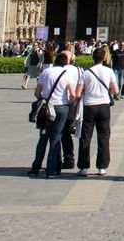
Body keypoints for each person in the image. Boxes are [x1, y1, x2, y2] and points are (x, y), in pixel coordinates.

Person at [30, 50, 82, 178]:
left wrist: (45, 99)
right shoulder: (66, 74)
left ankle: (35, 168)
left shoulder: (46, 72)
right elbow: (73, 94)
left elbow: (37, 93)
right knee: (56, 137)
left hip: (47, 107)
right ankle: (52, 169)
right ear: (66, 62)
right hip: (62, 108)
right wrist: (68, 103)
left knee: (43, 138)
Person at [77, 46, 118, 175]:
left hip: (89, 106)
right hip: (104, 106)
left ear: (92, 57)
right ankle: (102, 166)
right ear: (104, 58)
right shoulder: (109, 71)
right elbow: (116, 91)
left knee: (86, 137)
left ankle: (84, 167)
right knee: (104, 136)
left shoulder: (86, 73)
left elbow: (78, 93)